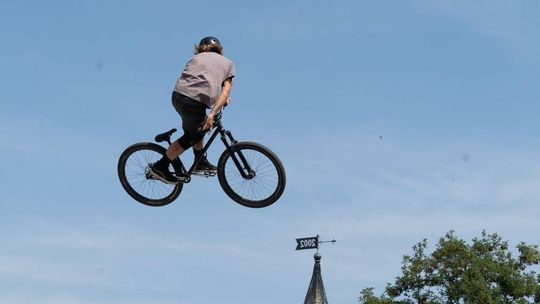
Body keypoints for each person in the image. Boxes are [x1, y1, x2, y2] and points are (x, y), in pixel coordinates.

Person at [150, 36, 235, 183]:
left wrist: (218, 102)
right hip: (193, 101)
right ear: (219, 50)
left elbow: (202, 80)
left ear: (200, 49)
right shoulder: (227, 63)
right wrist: (213, 113)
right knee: (193, 136)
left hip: (178, 96)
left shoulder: (195, 58)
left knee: (199, 128)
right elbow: (225, 90)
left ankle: (199, 161)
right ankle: (160, 167)